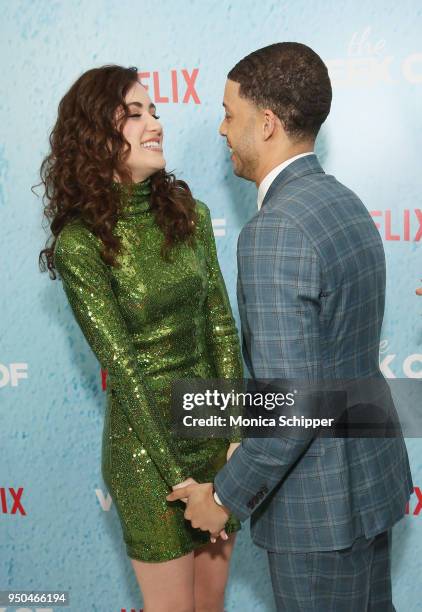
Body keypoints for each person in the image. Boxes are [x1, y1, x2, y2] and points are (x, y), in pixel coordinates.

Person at [167, 43, 414, 611]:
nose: (223, 129)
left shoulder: (274, 231)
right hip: (367, 483)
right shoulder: (343, 202)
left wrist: (223, 499)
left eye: (230, 114)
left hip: (317, 511)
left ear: (268, 124)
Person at [38, 64, 243, 612]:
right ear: (94, 136)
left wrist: (235, 438)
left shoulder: (190, 215)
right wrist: (179, 478)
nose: (154, 122)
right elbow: (123, 368)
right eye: (134, 113)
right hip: (148, 460)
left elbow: (221, 326)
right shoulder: (81, 245)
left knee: (212, 606)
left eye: (154, 110)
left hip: (214, 440)